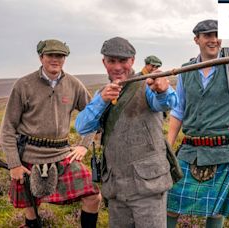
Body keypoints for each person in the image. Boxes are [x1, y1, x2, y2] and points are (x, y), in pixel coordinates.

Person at [165, 19, 229, 228]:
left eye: (217, 35)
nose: (213, 40)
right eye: (207, 35)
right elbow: (178, 110)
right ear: (196, 39)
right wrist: (167, 150)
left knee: (216, 212)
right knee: (169, 204)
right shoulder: (186, 70)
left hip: (223, 151)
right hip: (189, 150)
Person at [75, 36, 178, 228]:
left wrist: (163, 90)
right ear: (104, 62)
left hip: (148, 186)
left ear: (132, 61)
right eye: (111, 61)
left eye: (122, 60)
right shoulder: (101, 95)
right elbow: (82, 126)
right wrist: (101, 101)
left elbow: (166, 103)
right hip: (115, 188)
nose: (117, 67)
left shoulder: (147, 85)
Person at [0, 39, 101, 228]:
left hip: (62, 155)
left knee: (93, 196)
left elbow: (93, 116)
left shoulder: (74, 84)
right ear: (41, 57)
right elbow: (7, 128)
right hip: (29, 157)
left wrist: (83, 144)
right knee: (30, 206)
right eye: (50, 55)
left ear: (64, 59)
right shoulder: (23, 85)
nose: (55, 59)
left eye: (60, 56)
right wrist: (14, 164)